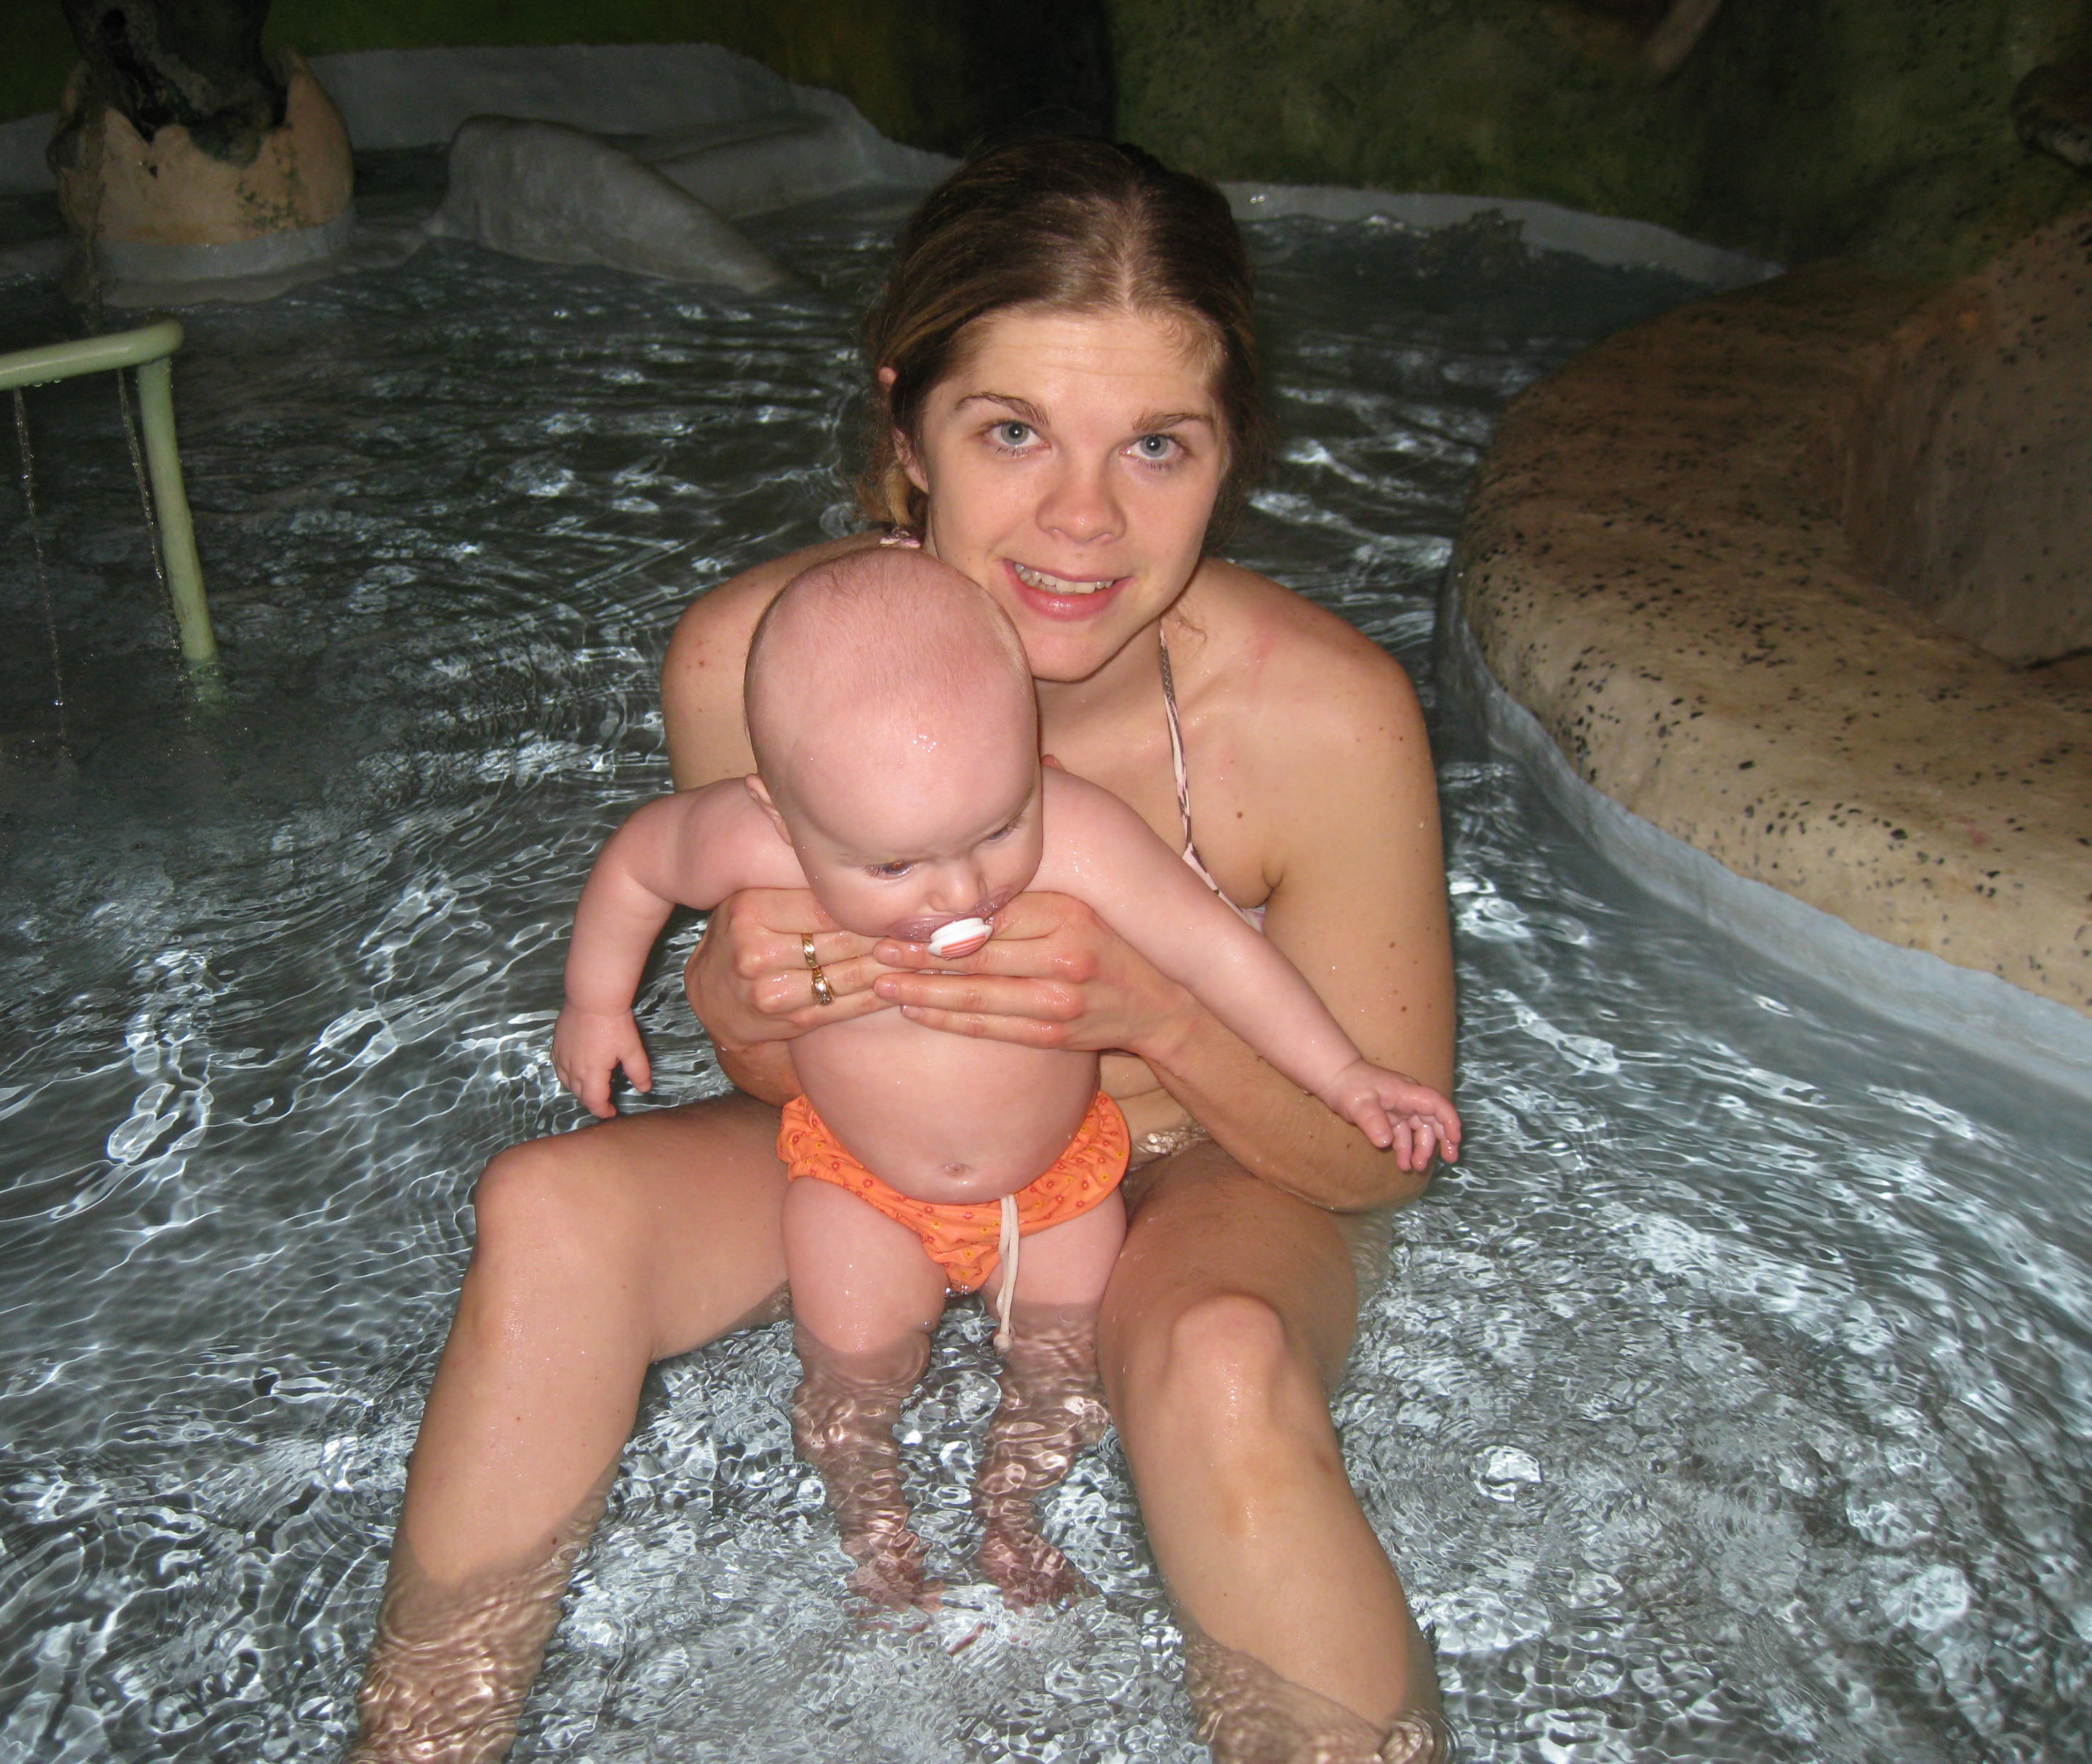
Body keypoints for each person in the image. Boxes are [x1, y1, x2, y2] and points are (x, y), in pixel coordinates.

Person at [352, 136, 1459, 1764]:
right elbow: (783, 1066)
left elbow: (1375, 1165)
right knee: (549, 1210)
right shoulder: (755, 661)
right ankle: (419, 1739)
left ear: (1232, 456)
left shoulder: (1325, 721)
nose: (1082, 519)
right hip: (874, 1155)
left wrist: (1156, 1015)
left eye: (1157, 445)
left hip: (1204, 1169)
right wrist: (743, 1011)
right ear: (906, 432)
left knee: (1222, 1364)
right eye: (1012, 431)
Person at [551, 544, 1459, 1611]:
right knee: (852, 1370)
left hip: (1057, 1186)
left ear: (1034, 758)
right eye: (893, 866)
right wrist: (596, 1003)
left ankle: (1014, 1512)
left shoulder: (1074, 831)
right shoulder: (753, 843)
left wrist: (1346, 1073)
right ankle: (873, 1523)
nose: (959, 891)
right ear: (779, 812)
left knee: (1061, 1375)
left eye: (995, 830)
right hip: (858, 1183)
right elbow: (640, 864)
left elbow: (1222, 955)